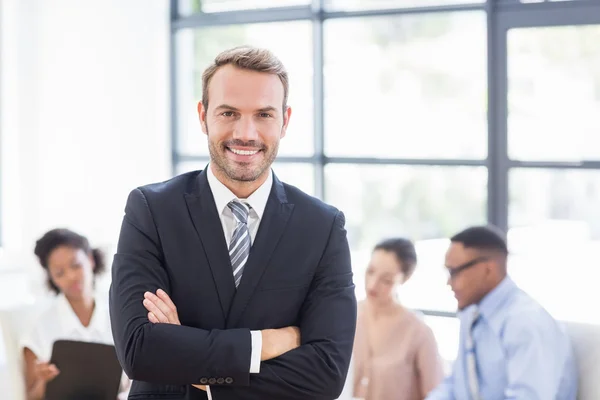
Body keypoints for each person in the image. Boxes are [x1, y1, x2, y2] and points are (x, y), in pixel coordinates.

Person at [109, 46, 357, 400]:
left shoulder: (322, 227)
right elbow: (139, 350)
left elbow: (326, 374)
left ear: (285, 121)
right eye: (228, 112)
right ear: (203, 115)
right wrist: (265, 342)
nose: (246, 133)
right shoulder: (151, 210)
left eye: (264, 115)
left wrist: (192, 362)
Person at [426, 225, 578, 400]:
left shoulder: (526, 322)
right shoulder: (472, 314)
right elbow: (456, 385)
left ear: (487, 269)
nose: (449, 283)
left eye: (454, 272)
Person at [20, 228, 129, 400]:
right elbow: (31, 397)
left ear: (90, 260)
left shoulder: (120, 317)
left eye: (76, 265)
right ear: (51, 278)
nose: (71, 277)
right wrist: (43, 380)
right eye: (59, 273)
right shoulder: (38, 329)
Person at [353, 238, 444, 400]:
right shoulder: (347, 317)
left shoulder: (419, 332)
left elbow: (435, 394)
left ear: (404, 278)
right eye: (370, 272)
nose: (372, 285)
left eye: (386, 280)